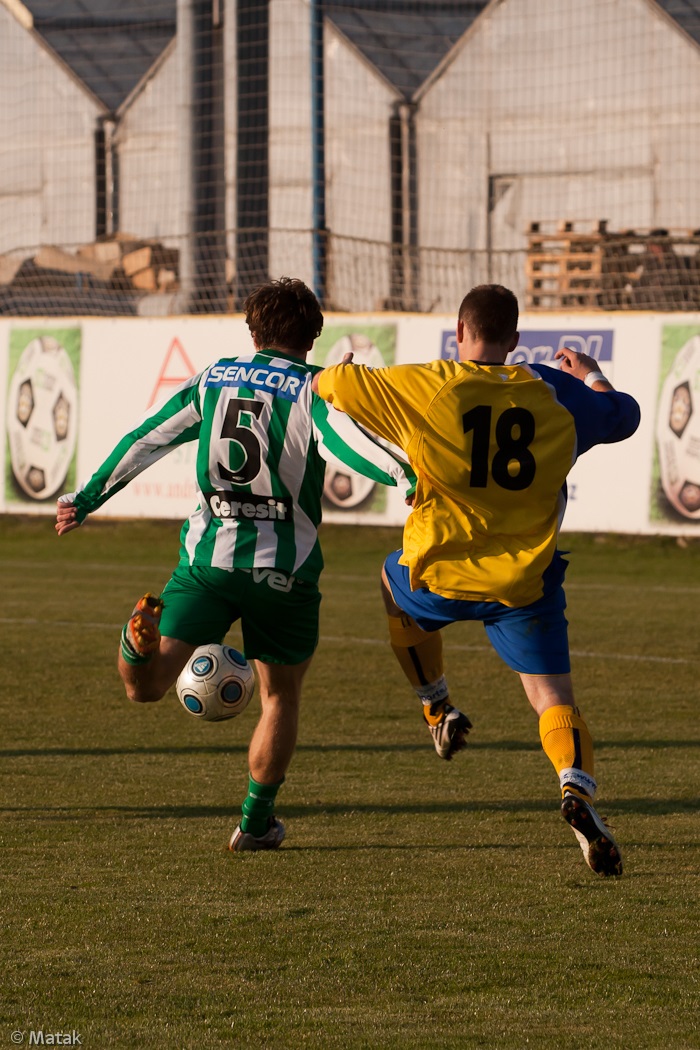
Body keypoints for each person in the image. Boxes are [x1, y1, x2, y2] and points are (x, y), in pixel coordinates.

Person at [55, 277, 414, 853]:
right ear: (314, 334)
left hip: (208, 563)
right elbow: (350, 446)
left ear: (253, 331)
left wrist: (89, 497)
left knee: (144, 689)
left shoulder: (215, 378)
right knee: (279, 698)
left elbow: (148, 437)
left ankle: (134, 640)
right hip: (285, 574)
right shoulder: (312, 389)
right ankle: (254, 823)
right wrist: (406, 477)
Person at [312, 283, 640, 877]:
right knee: (552, 698)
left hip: (438, 575)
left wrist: (344, 371)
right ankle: (577, 792)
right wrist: (592, 376)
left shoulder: (427, 382)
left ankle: (436, 707)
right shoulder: (555, 392)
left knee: (391, 581)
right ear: (515, 341)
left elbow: (328, 386)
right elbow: (624, 419)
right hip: (523, 583)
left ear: (459, 333)